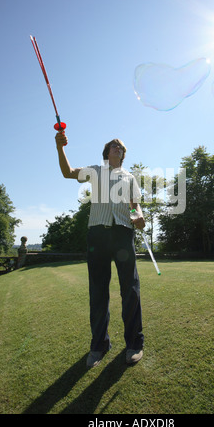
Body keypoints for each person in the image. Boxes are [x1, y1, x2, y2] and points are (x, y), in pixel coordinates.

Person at [55, 131, 145, 367]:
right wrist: (59, 147)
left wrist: (139, 217)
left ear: (124, 154)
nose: (118, 147)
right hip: (97, 234)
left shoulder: (130, 177)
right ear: (107, 152)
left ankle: (134, 344)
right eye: (114, 145)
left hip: (124, 234)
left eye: (121, 146)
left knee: (131, 291)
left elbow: (135, 206)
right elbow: (68, 173)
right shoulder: (96, 171)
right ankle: (99, 345)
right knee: (98, 293)